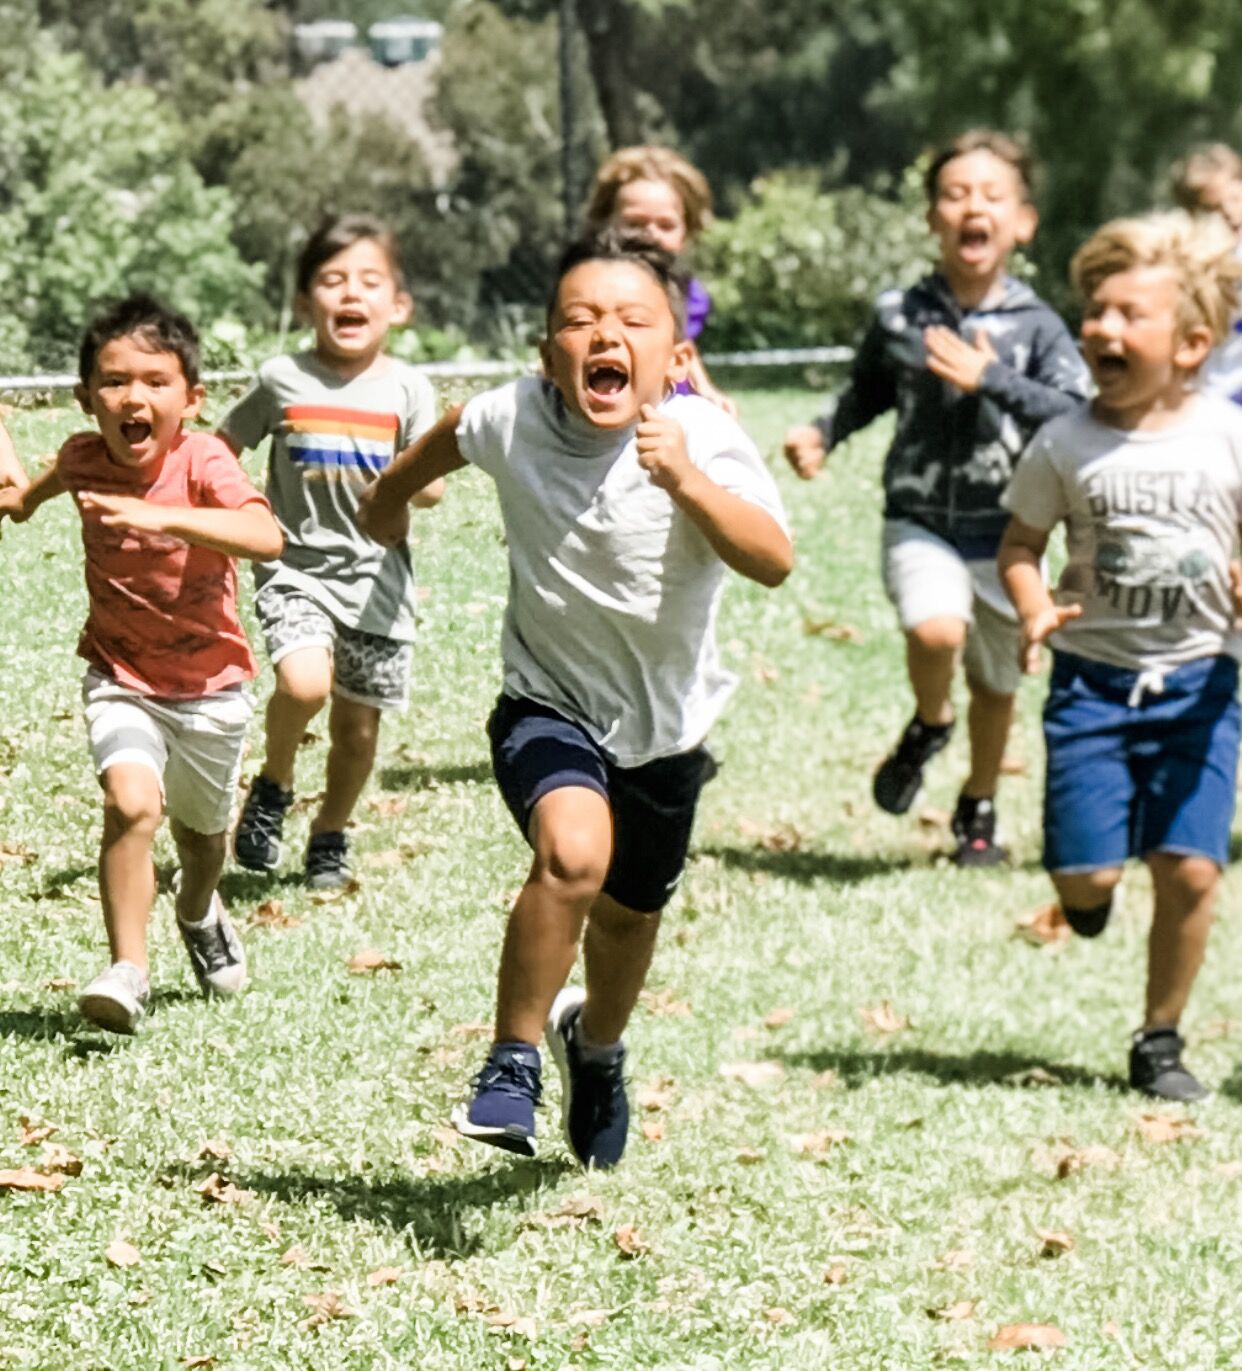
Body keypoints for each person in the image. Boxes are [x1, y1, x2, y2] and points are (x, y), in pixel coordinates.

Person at [357, 230, 792, 1168]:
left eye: (633, 320)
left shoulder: (705, 436)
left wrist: (684, 480)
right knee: (573, 855)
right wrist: (388, 501)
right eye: (580, 320)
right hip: (545, 703)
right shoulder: (513, 418)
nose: (605, 333)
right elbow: (448, 435)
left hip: (666, 731)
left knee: (631, 918)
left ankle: (594, 1048)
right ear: (548, 352)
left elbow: (772, 558)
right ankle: (511, 1062)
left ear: (674, 358)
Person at [783, 130, 1089, 866]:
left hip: (1012, 535)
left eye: (991, 195)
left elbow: (1076, 417)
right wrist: (825, 431)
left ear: (1023, 222)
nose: (971, 208)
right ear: (931, 219)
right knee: (934, 632)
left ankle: (978, 807)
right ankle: (929, 720)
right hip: (919, 519)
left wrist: (992, 381)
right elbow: (868, 390)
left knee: (997, 682)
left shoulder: (1038, 326)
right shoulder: (901, 315)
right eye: (954, 195)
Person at [999, 210, 1242, 1101]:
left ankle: (1160, 1038)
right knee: (1085, 874)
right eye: (1094, 312)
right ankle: (1093, 892)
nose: (1102, 329)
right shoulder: (1066, 440)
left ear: (1189, 344)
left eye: (1127, 315)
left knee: (1191, 866)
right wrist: (1032, 606)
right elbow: (1020, 544)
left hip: (1202, 686)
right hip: (1092, 689)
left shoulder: (1226, 436)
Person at [0, 295, 282, 1034]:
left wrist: (165, 516)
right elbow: (38, 491)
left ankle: (196, 906)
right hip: (119, 675)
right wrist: (20, 501)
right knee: (131, 805)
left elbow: (263, 534)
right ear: (86, 397)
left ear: (192, 397)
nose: (134, 397)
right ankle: (128, 968)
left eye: (155, 381)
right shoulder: (82, 456)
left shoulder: (203, 459)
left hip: (212, 690)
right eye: (115, 380)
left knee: (202, 839)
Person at [220, 214, 443, 890]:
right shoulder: (281, 377)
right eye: (332, 279)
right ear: (302, 302)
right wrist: (233, 510)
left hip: (378, 581)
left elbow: (430, 486)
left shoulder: (409, 387)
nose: (351, 294)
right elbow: (221, 451)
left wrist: (407, 486)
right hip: (295, 569)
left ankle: (330, 833)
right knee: (303, 682)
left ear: (397, 306)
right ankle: (275, 782)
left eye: (370, 281)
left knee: (358, 731)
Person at [586, 145, 735, 414]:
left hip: (666, 405)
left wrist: (706, 390)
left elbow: (679, 342)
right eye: (634, 223)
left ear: (686, 232)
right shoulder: (587, 285)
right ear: (605, 223)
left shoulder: (686, 292)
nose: (650, 236)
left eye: (665, 225)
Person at [1170, 142, 1242, 405]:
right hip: (1209, 397)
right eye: (1212, 209)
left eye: (1235, 199)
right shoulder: (1184, 264)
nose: (1230, 214)